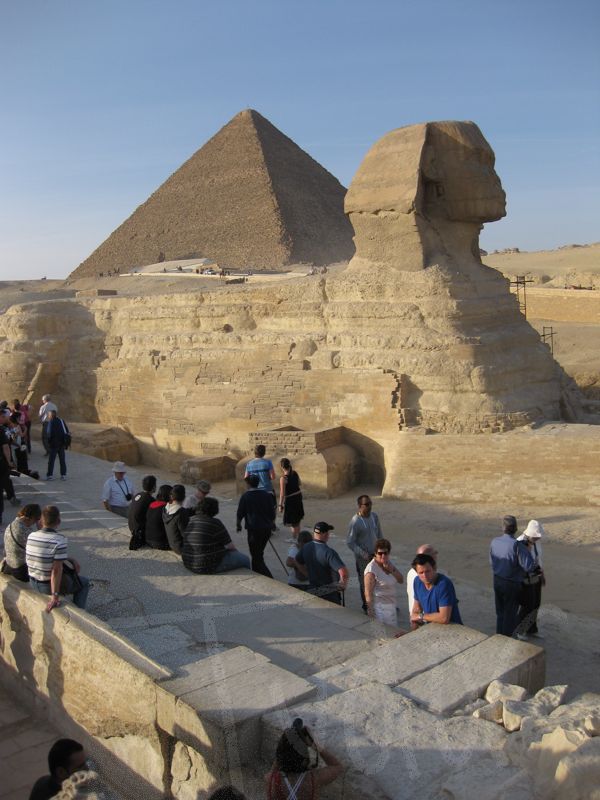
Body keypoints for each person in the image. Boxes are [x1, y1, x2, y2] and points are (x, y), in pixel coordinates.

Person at [26, 505, 91, 611]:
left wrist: (69, 559)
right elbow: (56, 570)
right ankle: (80, 611)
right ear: (58, 521)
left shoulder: (31, 535)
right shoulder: (59, 540)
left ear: (41, 521)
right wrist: (54, 596)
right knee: (84, 583)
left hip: (32, 581)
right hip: (46, 586)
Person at [265, 719, 343, 799]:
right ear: (304, 758)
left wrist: (285, 743)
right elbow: (337, 766)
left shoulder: (271, 780)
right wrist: (316, 746)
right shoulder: (314, 780)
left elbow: (277, 764)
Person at [490, 515, 535, 637]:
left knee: (500, 612)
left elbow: (492, 562)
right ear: (515, 529)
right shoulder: (517, 546)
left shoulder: (494, 542)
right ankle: (507, 639)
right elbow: (529, 566)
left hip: (497, 580)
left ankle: (499, 636)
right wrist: (528, 551)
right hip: (511, 583)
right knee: (510, 613)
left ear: (503, 528)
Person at [182, 496, 250, 574]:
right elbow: (231, 546)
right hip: (204, 566)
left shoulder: (191, 520)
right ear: (214, 510)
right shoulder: (215, 523)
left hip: (188, 562)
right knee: (245, 559)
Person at [295, 522, 348, 605]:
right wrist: (342, 585)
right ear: (325, 534)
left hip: (313, 589)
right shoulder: (329, 552)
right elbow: (343, 572)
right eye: (328, 532)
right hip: (329, 593)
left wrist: (307, 574)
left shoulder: (306, 547)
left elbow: (297, 561)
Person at [346, 495, 383, 613]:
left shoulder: (374, 516)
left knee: (379, 579)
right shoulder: (355, 522)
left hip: (376, 555)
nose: (369, 506)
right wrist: (363, 554)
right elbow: (350, 542)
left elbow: (379, 534)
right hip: (364, 558)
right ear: (359, 506)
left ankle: (380, 603)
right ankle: (366, 606)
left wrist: (382, 550)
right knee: (365, 582)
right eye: (366, 504)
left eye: (370, 503)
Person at [236, 473, 276, 578]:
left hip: (254, 531)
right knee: (258, 553)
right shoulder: (267, 495)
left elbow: (240, 513)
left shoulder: (245, 496)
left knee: (256, 555)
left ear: (248, 484)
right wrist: (270, 523)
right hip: (266, 530)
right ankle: (258, 573)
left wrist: (238, 524)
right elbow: (272, 513)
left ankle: (268, 577)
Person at [410, 553, 462, 628]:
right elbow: (416, 610)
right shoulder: (417, 581)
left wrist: (421, 616)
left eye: (427, 571)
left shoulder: (444, 584)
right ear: (416, 573)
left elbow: (444, 618)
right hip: (431, 627)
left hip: (452, 628)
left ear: (434, 568)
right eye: (421, 573)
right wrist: (412, 631)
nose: (425, 576)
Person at [516, 519, 546, 638]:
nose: (538, 538)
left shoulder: (536, 543)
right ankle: (520, 630)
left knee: (536, 604)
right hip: (525, 579)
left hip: (536, 577)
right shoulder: (519, 543)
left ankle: (532, 629)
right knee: (527, 605)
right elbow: (522, 564)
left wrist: (542, 575)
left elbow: (539, 559)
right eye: (536, 536)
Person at [364, 538, 403, 626]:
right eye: (380, 553)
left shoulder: (388, 563)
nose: (383, 556)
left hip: (391, 606)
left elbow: (401, 580)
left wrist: (391, 570)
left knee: (393, 634)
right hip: (380, 609)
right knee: (385, 636)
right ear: (375, 553)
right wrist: (370, 611)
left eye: (385, 553)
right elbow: (368, 593)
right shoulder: (371, 570)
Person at [2, 503, 42, 582]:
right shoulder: (27, 531)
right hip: (20, 571)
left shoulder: (11, 525)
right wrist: (40, 530)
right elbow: (40, 550)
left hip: (9, 565)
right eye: (36, 520)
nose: (35, 523)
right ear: (32, 518)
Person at [406, 544, 438, 614]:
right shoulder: (423, 575)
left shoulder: (411, 572)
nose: (436, 556)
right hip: (423, 615)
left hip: (415, 613)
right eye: (434, 554)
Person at [127, 475, 156, 550]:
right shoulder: (150, 500)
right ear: (153, 487)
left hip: (131, 527)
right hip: (139, 531)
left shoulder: (138, 495)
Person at [278, 458, 304, 541]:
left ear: (282, 467)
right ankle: (299, 537)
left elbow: (282, 493)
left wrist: (280, 505)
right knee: (298, 519)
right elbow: (299, 483)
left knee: (293, 522)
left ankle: (294, 538)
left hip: (291, 499)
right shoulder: (295, 473)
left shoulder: (283, 478)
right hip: (298, 496)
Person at [162, 484, 190, 555]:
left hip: (172, 544)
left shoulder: (165, 509)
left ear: (171, 496)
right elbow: (185, 534)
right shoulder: (181, 512)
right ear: (184, 497)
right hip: (181, 548)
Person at [42, 409, 70, 481]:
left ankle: (49, 475)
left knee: (51, 460)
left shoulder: (51, 422)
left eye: (48, 415)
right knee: (62, 460)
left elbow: (49, 433)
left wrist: (49, 443)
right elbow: (66, 431)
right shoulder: (61, 420)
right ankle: (63, 475)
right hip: (62, 444)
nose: (48, 416)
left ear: (51, 415)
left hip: (54, 444)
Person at [145, 484, 172, 549]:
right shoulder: (166, 507)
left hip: (147, 539)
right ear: (168, 495)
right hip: (160, 543)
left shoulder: (152, 504)